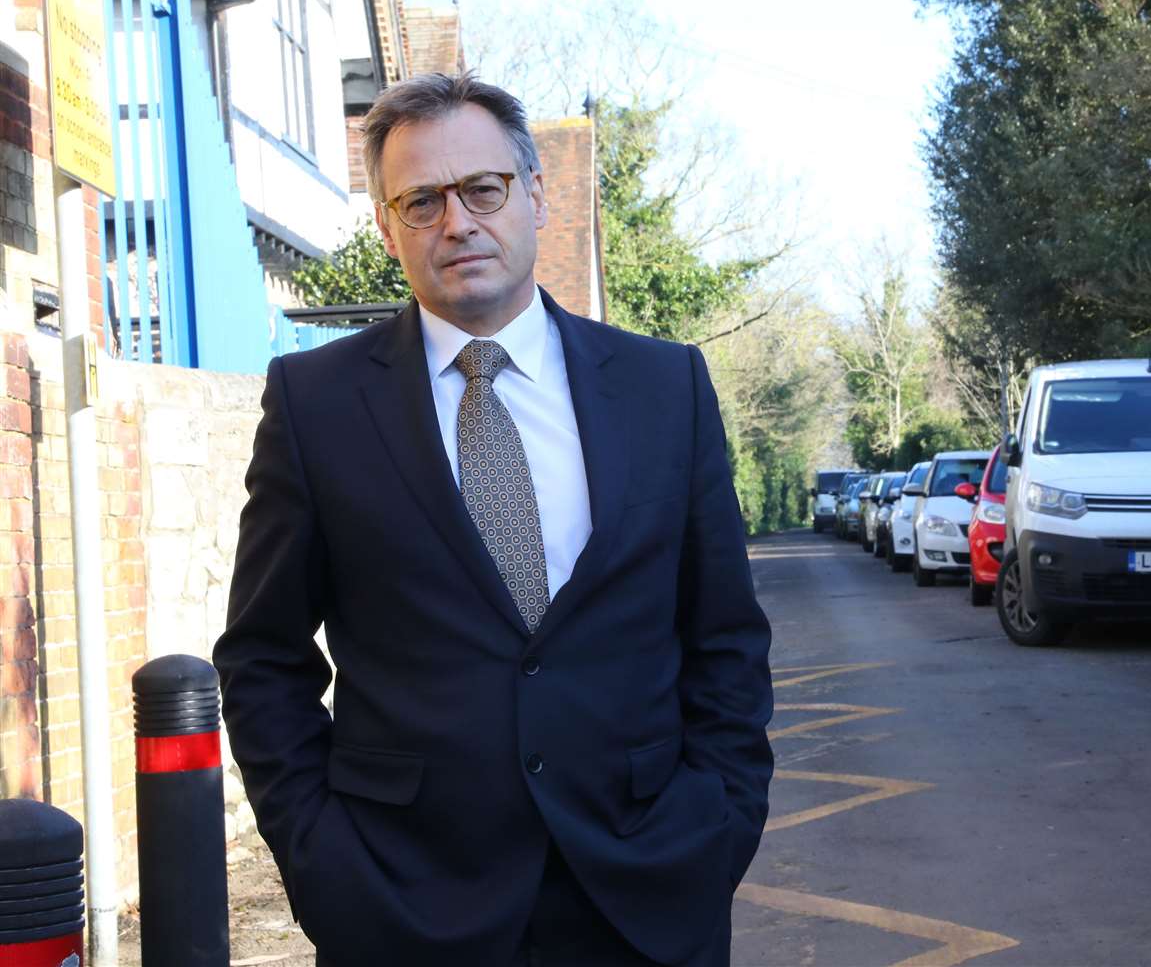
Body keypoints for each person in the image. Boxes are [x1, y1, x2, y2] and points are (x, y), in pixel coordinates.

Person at [214, 72, 774, 966]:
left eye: (483, 189)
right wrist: (320, 858)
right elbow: (262, 656)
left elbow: (724, 637)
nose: (458, 222)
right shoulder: (315, 405)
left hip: (646, 895)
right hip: (403, 907)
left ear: (536, 196)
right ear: (389, 225)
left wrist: (720, 819)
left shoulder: (667, 388)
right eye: (422, 200)